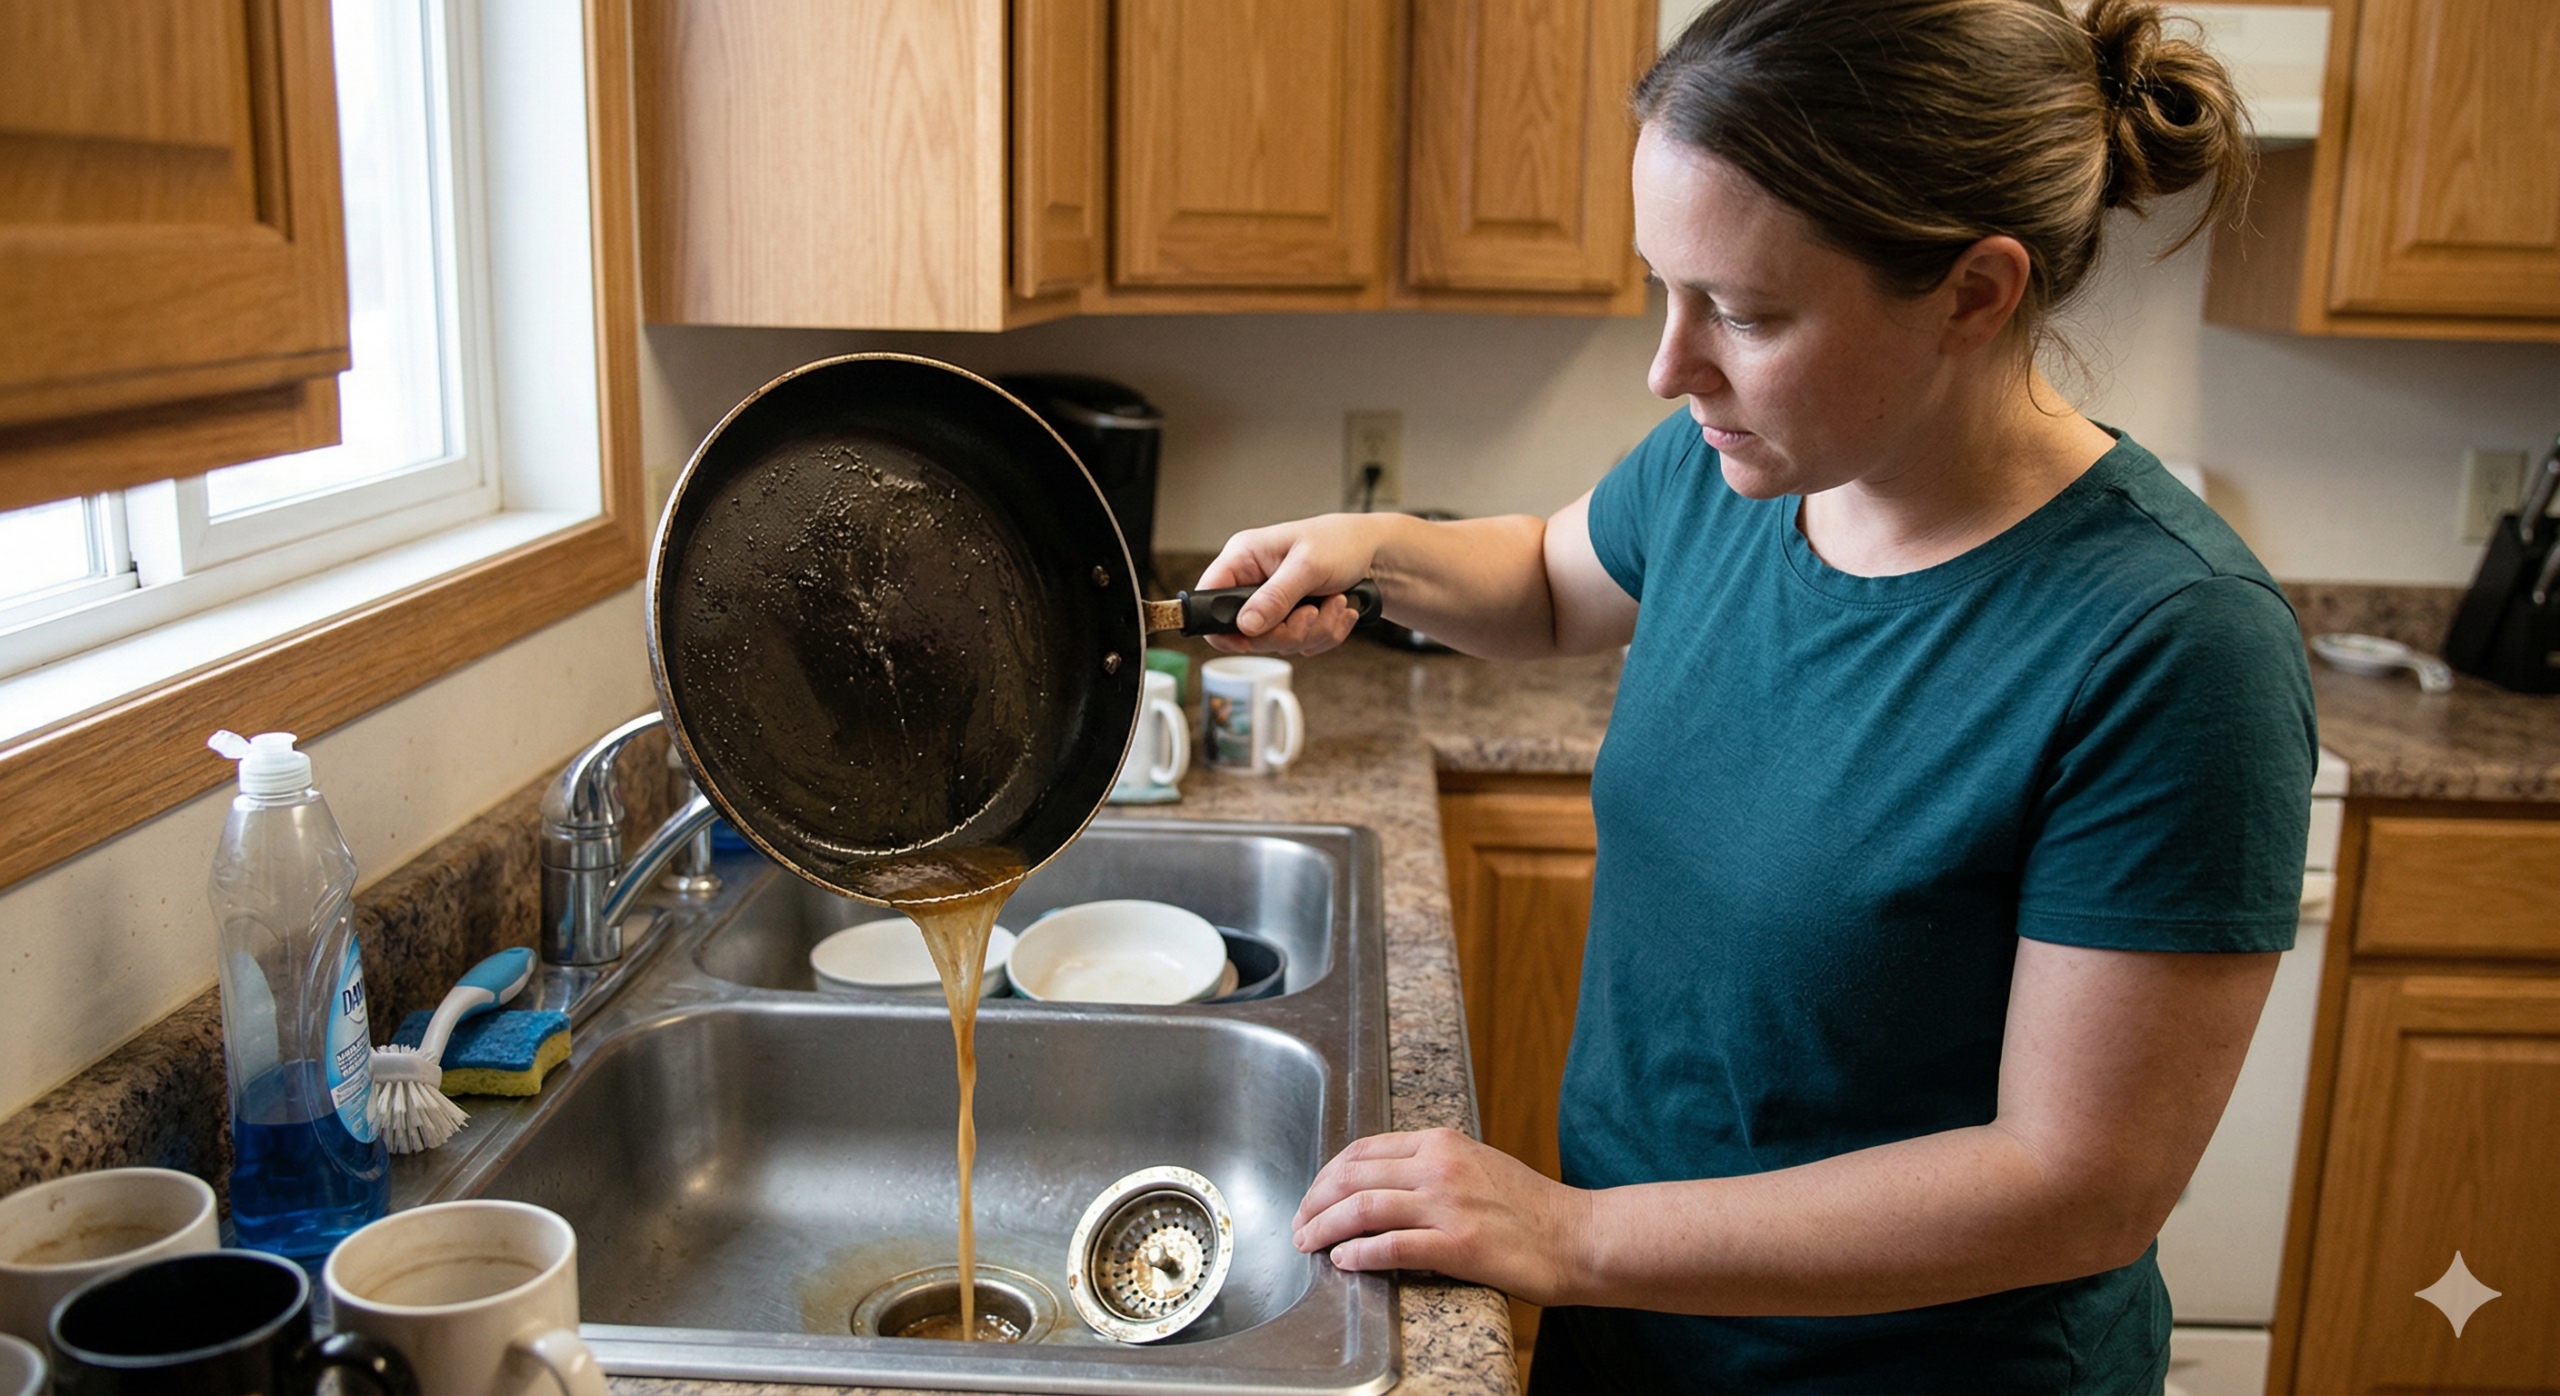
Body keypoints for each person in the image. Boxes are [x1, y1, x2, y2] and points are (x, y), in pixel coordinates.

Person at [1196, 0, 2317, 1390]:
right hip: (1642, 1329)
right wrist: (1373, 553)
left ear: (1975, 291)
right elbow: (1549, 580)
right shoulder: (1742, 465)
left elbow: (2077, 1185)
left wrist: (1577, 1234)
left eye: (1744, 311)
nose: (1674, 367)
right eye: (1666, 288)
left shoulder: (2172, 645)